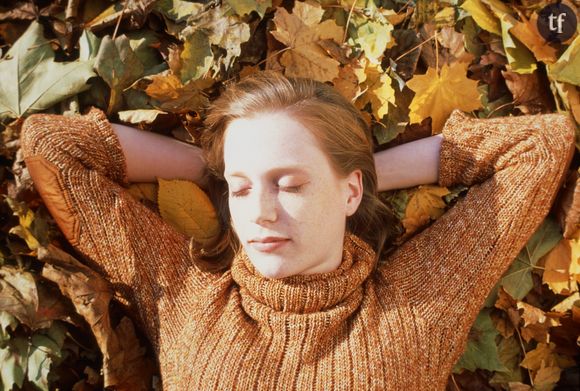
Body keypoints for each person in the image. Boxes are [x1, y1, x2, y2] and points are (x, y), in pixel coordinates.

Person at [19, 71, 576, 390]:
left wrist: (364, 171)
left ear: (351, 193)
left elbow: (539, 146)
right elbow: (52, 146)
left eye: (288, 184)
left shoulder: (418, 306)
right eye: (242, 190)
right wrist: (216, 170)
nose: (258, 212)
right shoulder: (186, 297)